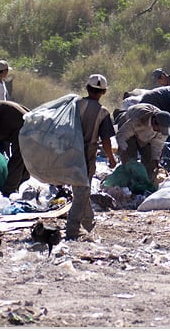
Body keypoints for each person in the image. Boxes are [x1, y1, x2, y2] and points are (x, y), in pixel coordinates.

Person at [66, 74, 117, 239]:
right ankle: (72, 229)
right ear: (104, 92)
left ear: (87, 88)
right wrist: (111, 158)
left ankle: (88, 221)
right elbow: (106, 140)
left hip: (68, 150)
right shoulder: (102, 112)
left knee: (80, 187)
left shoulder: (74, 105)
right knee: (82, 189)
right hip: (87, 153)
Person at [116, 102, 170, 185]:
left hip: (145, 134)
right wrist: (123, 151)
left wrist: (155, 159)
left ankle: (146, 183)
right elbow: (122, 135)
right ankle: (130, 183)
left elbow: (157, 145)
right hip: (127, 126)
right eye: (159, 129)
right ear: (154, 121)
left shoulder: (162, 128)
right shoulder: (139, 119)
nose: (160, 131)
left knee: (150, 161)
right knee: (130, 159)